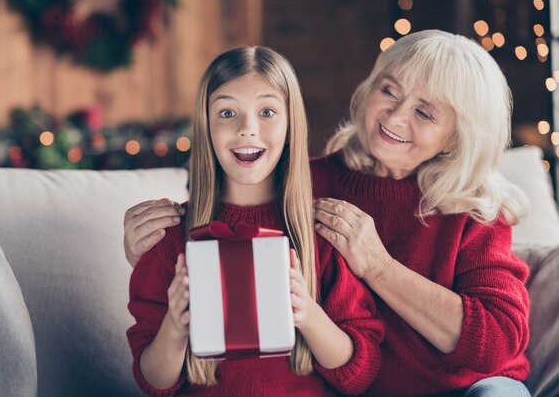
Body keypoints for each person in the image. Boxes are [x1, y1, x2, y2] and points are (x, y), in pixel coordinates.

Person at [124, 30, 532, 397]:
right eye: (389, 91)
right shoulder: (303, 184)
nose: (394, 116)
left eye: (424, 113)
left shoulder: (471, 210)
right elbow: (230, 220)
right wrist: (143, 251)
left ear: (454, 138)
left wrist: (378, 266)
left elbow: (497, 342)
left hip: (466, 390)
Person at [126, 46, 384, 397]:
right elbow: (153, 382)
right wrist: (176, 323)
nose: (247, 128)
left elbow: (358, 375)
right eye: (227, 112)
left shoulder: (320, 233)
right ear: (206, 127)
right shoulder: (171, 238)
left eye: (267, 112)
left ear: (291, 124)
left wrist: (306, 312)